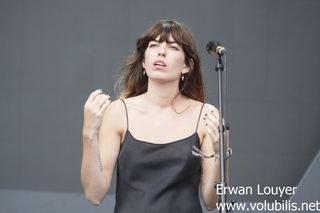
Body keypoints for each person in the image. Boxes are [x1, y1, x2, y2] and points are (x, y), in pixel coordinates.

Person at [81, 19, 229, 213]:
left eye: (173, 47)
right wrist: (89, 133)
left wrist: (219, 154)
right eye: (154, 45)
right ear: (144, 62)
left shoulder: (206, 115)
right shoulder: (118, 112)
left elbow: (213, 202)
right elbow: (95, 194)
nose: (161, 52)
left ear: (187, 66)